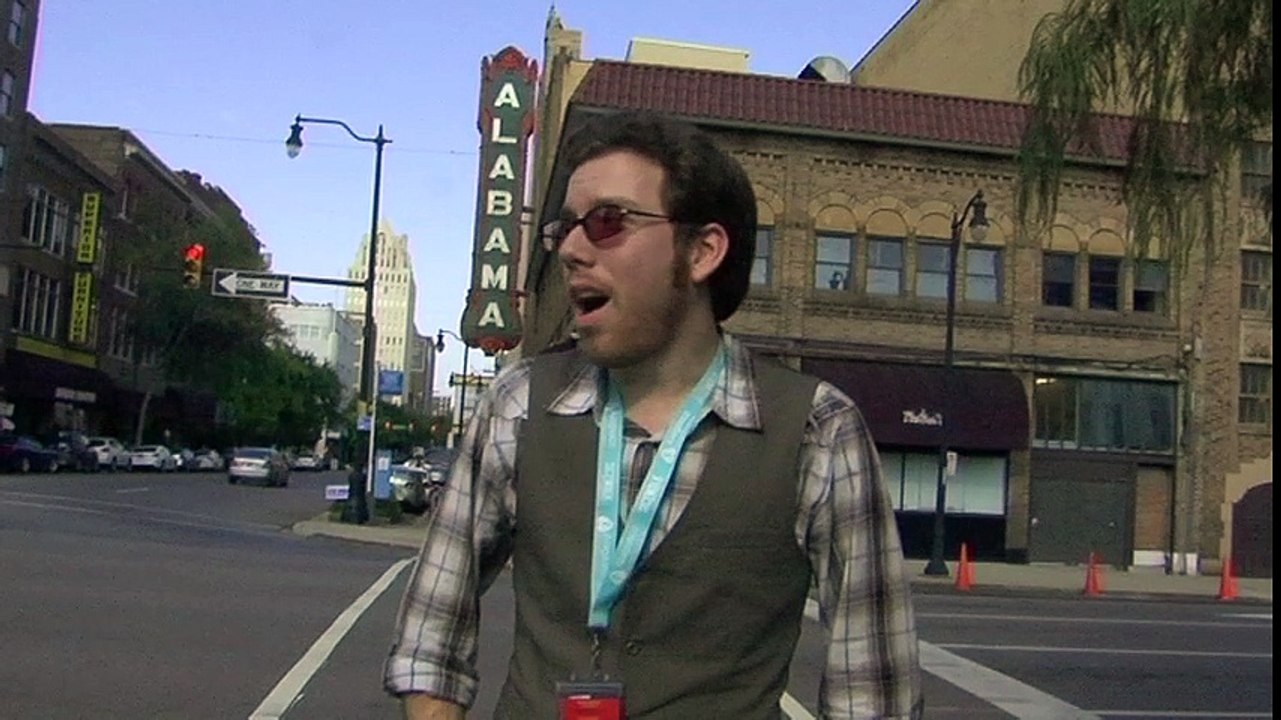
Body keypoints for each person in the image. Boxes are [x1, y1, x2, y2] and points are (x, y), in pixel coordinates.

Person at [385, 111, 923, 719]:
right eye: (563, 228)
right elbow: (432, 634)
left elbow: (874, 696)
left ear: (701, 252)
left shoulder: (816, 432)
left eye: (607, 222)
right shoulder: (518, 406)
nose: (570, 249)